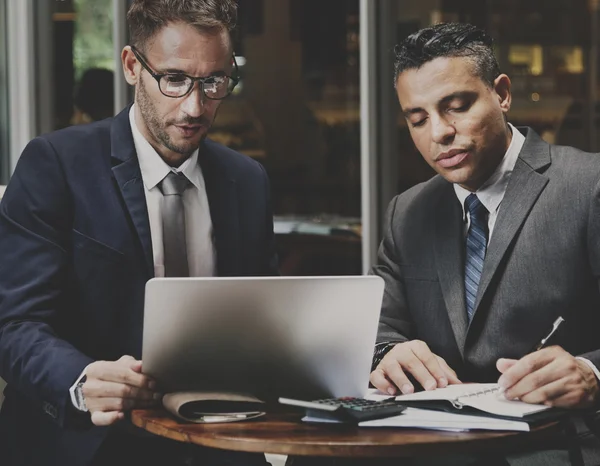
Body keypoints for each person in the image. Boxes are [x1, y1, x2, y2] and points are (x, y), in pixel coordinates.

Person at [0, 1, 277, 465]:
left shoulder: (247, 180)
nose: (194, 106)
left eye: (213, 83)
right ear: (132, 66)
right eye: (174, 79)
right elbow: (14, 323)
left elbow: (264, 318)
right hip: (91, 442)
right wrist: (81, 380)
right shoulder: (56, 164)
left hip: (217, 443)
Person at [365, 22, 600, 465]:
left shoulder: (589, 187)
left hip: (553, 442)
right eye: (417, 119)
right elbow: (377, 327)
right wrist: (388, 351)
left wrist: (592, 372)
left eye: (456, 107)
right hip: (430, 443)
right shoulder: (406, 212)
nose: (439, 133)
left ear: (502, 94)